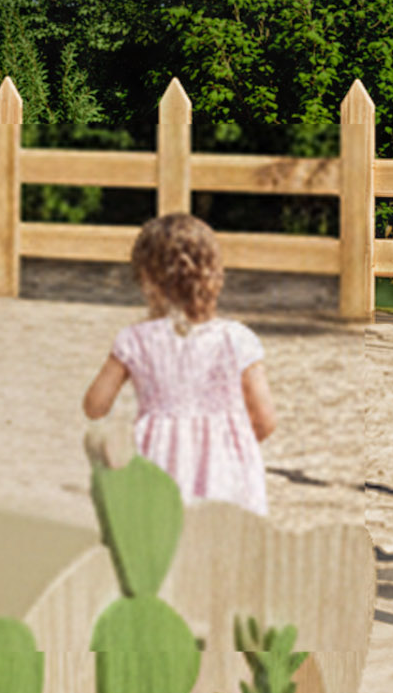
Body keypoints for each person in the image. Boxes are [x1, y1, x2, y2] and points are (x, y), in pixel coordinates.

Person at [82, 211, 277, 511]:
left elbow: (95, 405)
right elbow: (265, 420)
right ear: (215, 275)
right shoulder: (237, 339)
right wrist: (228, 439)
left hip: (157, 467)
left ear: (147, 280)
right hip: (228, 473)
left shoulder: (135, 340)